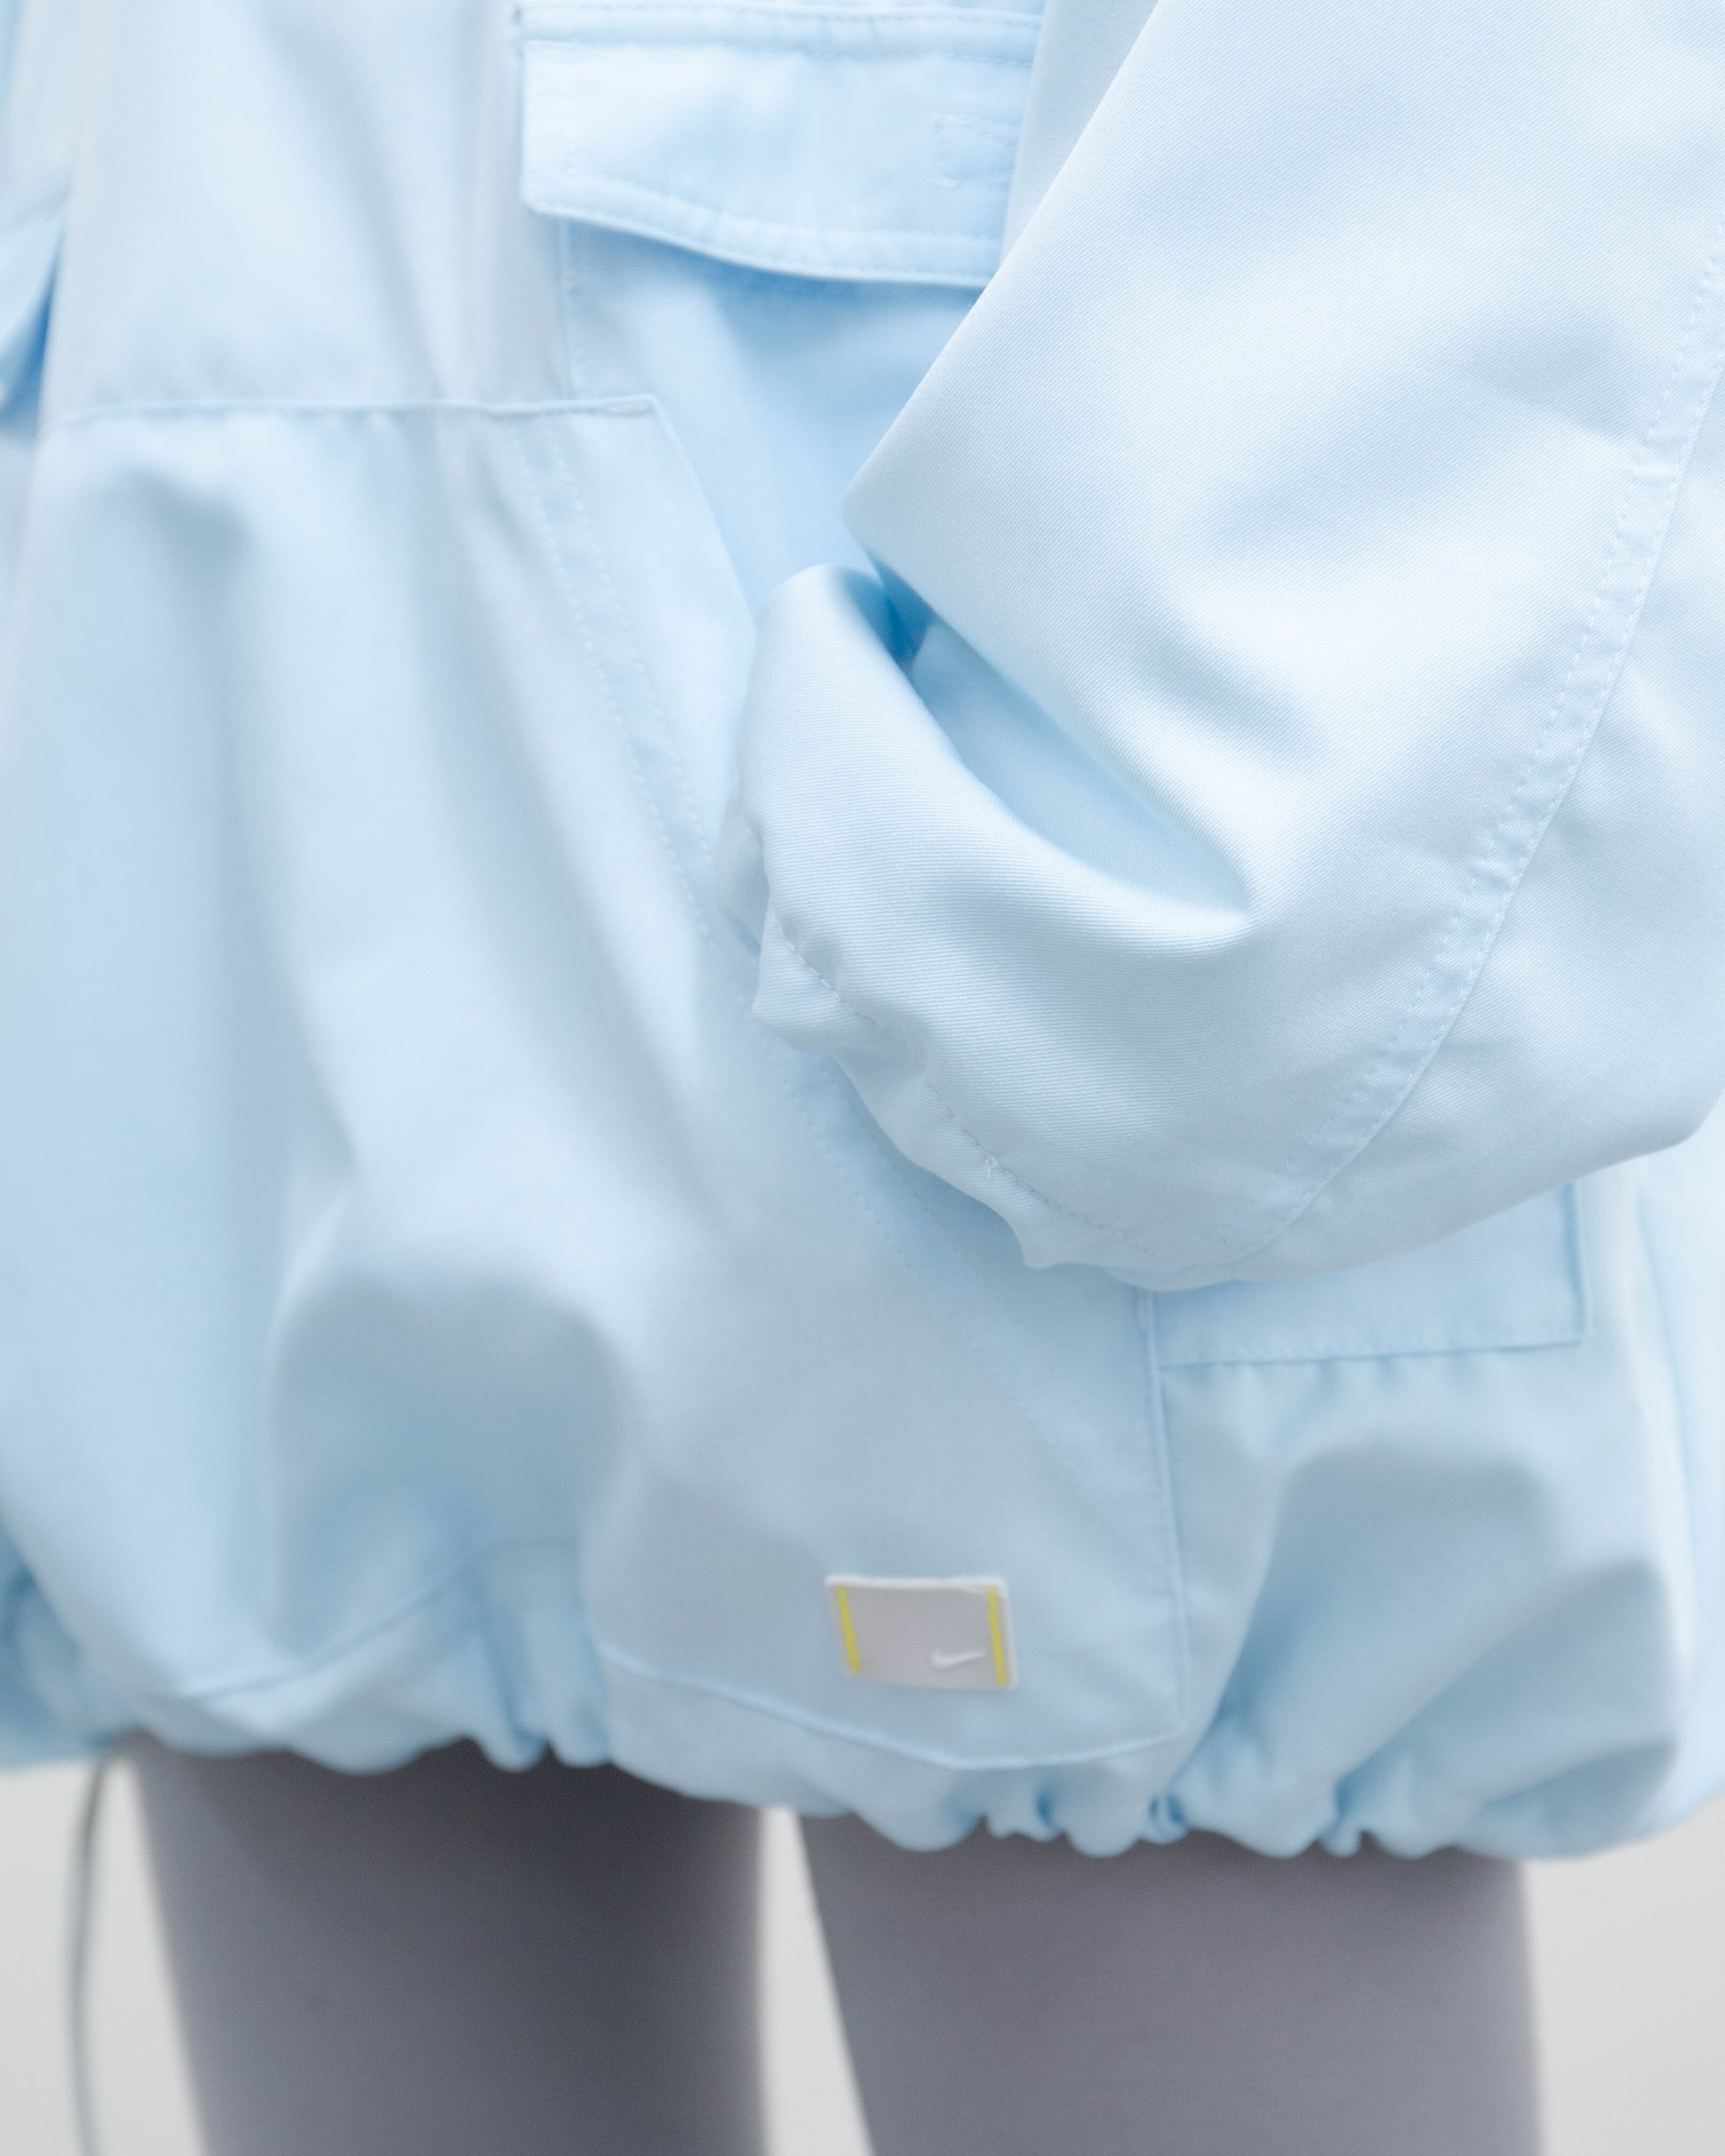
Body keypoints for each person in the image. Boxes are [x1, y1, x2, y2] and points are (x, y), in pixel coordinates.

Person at [1, 0, 1721, 2145]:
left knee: (1137, 1731)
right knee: (336, 1676)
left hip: (992, 904)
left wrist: (1160, 893)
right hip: (221, 769)